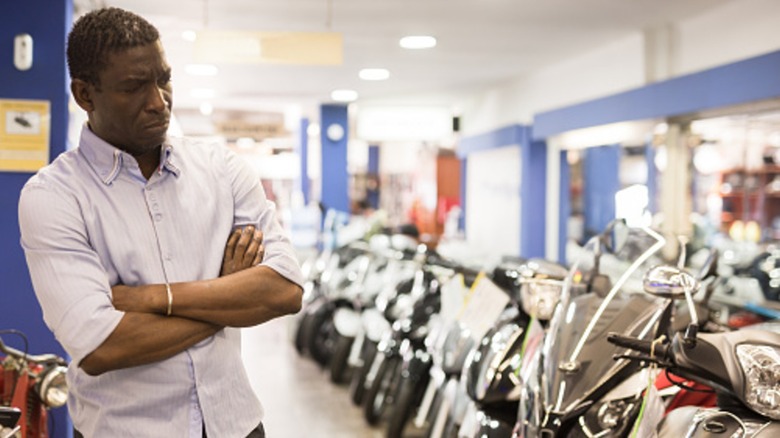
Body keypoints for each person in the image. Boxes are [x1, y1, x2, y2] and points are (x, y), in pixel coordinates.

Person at [17, 7, 303, 438]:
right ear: (84, 95)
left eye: (164, 79)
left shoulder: (222, 169)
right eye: (134, 87)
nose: (159, 102)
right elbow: (101, 345)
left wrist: (150, 298)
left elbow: (284, 291)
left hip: (235, 424)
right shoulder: (54, 197)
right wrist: (229, 300)